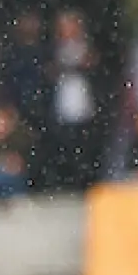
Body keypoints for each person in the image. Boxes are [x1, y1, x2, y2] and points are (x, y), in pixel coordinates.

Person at [43, 10, 97, 189]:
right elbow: (49, 72)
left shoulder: (87, 47)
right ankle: (63, 180)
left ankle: (83, 181)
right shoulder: (53, 49)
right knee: (62, 144)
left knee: (83, 145)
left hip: (83, 102)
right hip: (61, 102)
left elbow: (92, 68)